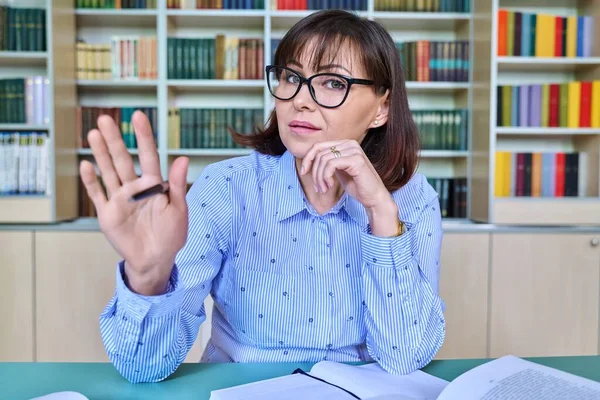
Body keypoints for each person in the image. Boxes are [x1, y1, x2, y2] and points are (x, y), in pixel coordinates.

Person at [79, 9, 446, 384]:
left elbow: (406, 356)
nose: (301, 99)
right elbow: (143, 368)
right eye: (291, 77)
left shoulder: (412, 198)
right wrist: (147, 276)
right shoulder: (228, 187)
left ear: (382, 107)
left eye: (333, 83)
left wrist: (381, 212)